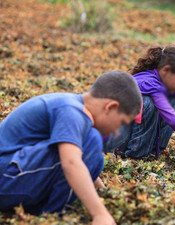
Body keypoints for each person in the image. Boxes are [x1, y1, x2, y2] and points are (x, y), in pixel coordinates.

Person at [0, 71, 142, 225]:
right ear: (110, 107)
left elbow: (86, 164)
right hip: (6, 179)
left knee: (95, 154)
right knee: (92, 141)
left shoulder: (72, 104)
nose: (116, 132)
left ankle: (47, 211)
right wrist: (100, 214)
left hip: (12, 177)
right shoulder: (72, 111)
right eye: (121, 123)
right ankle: (52, 215)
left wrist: (105, 194)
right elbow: (71, 163)